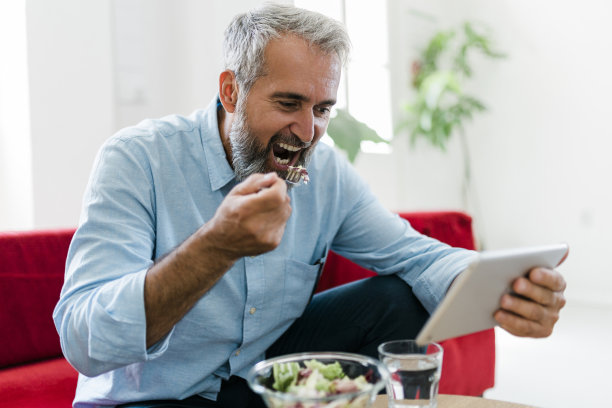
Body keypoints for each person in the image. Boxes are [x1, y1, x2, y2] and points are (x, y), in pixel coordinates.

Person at [53, 4, 567, 408]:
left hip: (262, 384)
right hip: (149, 398)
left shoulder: (325, 174)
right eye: (288, 103)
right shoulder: (138, 159)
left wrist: (506, 291)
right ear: (231, 91)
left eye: (322, 109)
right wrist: (215, 247)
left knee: (398, 298)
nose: (307, 131)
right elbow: (84, 339)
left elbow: (418, 256)